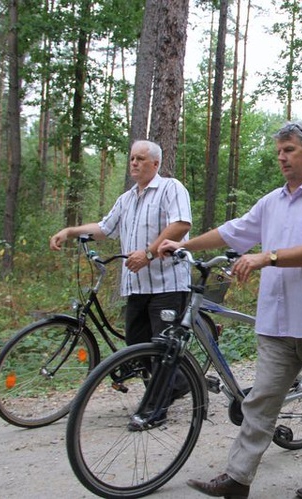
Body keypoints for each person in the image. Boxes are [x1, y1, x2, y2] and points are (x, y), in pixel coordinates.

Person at [159, 122, 302, 499]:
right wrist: (183, 244)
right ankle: (238, 478)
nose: (282, 157)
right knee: (259, 401)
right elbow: (232, 232)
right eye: (279, 151)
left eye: (290, 150)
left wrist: (266, 257)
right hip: (276, 322)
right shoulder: (271, 202)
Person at [50, 140, 192, 428]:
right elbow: (104, 228)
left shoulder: (171, 188)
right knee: (138, 346)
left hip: (167, 284)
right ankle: (181, 383)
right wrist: (70, 230)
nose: (134, 163)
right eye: (131, 159)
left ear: (155, 164)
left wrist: (150, 253)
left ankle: (154, 410)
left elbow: (181, 224)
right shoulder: (127, 198)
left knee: (162, 348)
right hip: (137, 285)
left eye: (141, 159)